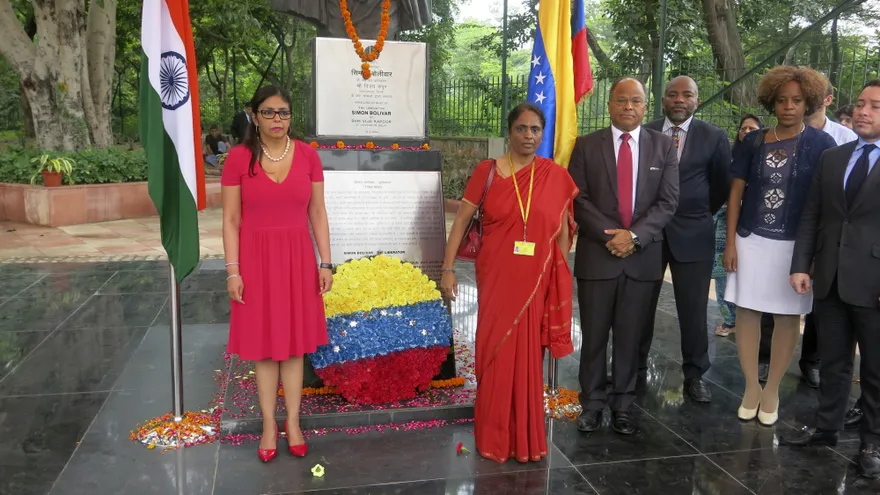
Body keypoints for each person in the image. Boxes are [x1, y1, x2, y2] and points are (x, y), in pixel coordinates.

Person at [439, 103, 578, 463]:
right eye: (521, 129)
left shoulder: (555, 176)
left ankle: (525, 438)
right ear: (509, 132)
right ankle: (494, 436)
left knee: (529, 355)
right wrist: (448, 268)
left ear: (541, 134)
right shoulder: (487, 171)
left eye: (535, 130)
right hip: (497, 276)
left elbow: (561, 232)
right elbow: (461, 222)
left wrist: (559, 277)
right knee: (494, 350)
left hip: (536, 280)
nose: (528, 136)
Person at [221, 86, 333, 463]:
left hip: (298, 260)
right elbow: (231, 219)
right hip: (254, 260)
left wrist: (325, 262)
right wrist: (232, 270)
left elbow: (317, 213)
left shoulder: (307, 156)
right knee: (264, 347)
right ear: (254, 115)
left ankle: (294, 422)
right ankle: (269, 423)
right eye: (268, 113)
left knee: (294, 346)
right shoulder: (238, 158)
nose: (276, 120)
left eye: (283, 113)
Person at [723, 66, 837, 427]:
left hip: (795, 246)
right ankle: (750, 388)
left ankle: (771, 389)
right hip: (751, 239)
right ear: (772, 102)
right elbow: (736, 193)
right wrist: (730, 242)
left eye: (797, 100)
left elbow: (826, 202)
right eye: (782, 100)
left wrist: (815, 253)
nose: (788, 106)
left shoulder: (823, 145)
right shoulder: (753, 141)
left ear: (810, 103)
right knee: (747, 311)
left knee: (789, 315)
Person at [569, 77, 679, 435]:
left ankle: (623, 404)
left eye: (636, 101)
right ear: (610, 105)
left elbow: (667, 202)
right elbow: (579, 199)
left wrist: (633, 237)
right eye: (621, 100)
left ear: (647, 106)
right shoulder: (585, 146)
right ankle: (593, 403)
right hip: (597, 257)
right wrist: (612, 237)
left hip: (642, 258)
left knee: (632, 337)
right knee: (595, 335)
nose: (628, 107)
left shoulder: (664, 147)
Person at [782, 79, 880, 480]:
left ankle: (872, 443)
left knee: (874, 370)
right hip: (830, 279)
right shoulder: (834, 158)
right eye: (859, 104)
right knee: (834, 361)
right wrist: (801, 265)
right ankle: (826, 429)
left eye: (874, 106)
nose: (862, 111)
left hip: (874, 283)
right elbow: (812, 215)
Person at [758, 81, 858, 388]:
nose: (793, 104)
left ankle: (811, 360)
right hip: (779, 224)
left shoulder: (844, 139)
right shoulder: (772, 135)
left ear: (822, 99)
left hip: (823, 229)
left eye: (801, 98)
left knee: (816, 299)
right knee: (769, 293)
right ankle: (764, 356)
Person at [640, 76, 732, 403]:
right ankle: (634, 368)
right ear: (663, 99)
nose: (679, 100)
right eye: (673, 94)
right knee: (640, 305)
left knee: (693, 310)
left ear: (697, 99)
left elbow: (721, 186)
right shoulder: (646, 132)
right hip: (650, 235)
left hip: (694, 234)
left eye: (687, 94)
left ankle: (695, 375)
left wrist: (697, 212)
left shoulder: (714, 136)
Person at [714, 115, 764, 338]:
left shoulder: (766, 158)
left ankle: (750, 319)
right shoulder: (729, 157)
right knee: (723, 271)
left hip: (754, 227)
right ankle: (730, 318)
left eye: (752, 128)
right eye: (743, 128)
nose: (746, 131)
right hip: (724, 224)